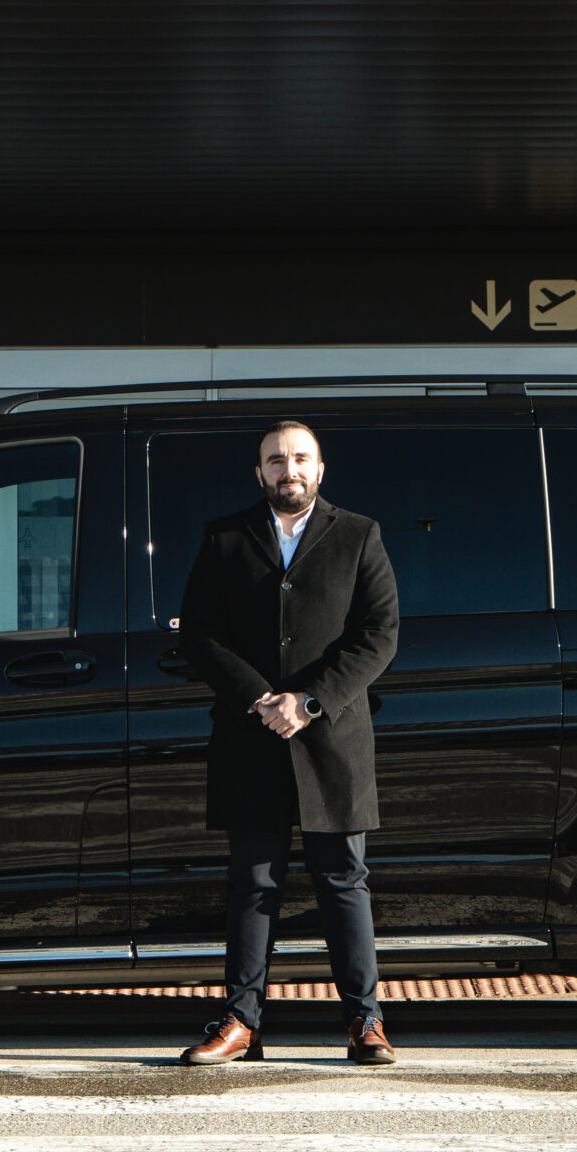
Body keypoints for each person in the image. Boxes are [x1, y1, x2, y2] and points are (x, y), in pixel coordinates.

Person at [175, 420, 401, 1066]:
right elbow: (200, 635)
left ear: (320, 469)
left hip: (332, 737)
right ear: (260, 473)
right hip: (251, 737)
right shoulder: (224, 537)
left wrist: (307, 701)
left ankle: (366, 1022)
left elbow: (378, 634)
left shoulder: (360, 535)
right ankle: (241, 1022)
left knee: (343, 881)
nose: (288, 468)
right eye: (276, 460)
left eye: (300, 458)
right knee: (252, 883)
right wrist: (261, 698)